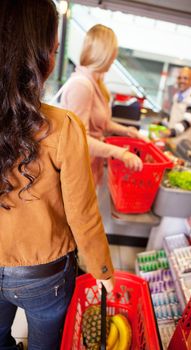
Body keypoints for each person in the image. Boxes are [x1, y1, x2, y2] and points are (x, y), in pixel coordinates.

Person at [0, 1, 114, 350]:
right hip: (43, 273)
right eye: (54, 48)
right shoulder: (63, 127)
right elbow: (82, 214)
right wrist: (103, 272)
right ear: (39, 57)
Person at [61, 24, 144, 186]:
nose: (114, 58)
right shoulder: (82, 85)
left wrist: (127, 131)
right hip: (78, 171)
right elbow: (79, 139)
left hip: (91, 164)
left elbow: (102, 122)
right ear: (105, 52)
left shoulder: (97, 82)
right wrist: (122, 153)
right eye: (114, 52)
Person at [159, 66, 191, 138]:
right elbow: (173, 116)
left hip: (182, 143)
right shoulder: (177, 96)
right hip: (171, 139)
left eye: (185, 78)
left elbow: (187, 122)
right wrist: (161, 123)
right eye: (179, 78)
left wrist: (171, 132)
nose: (182, 81)